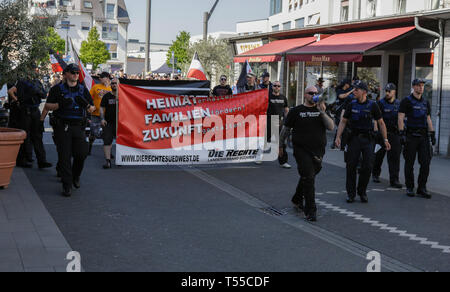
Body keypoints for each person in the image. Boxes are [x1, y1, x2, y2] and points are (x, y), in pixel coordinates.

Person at [280, 86, 335, 222]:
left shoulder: (321, 110)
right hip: (301, 150)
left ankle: (297, 198)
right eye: (311, 93)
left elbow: (331, 127)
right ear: (305, 95)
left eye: (316, 93)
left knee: (309, 174)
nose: (314, 95)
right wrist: (281, 145)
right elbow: (285, 130)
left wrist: (322, 112)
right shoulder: (296, 111)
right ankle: (311, 211)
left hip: (318, 151)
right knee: (309, 177)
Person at [335, 81, 391, 204]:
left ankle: (362, 191)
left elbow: (381, 123)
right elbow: (343, 121)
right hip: (354, 138)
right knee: (351, 166)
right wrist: (338, 137)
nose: (354, 91)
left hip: (368, 139)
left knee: (367, 166)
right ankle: (351, 194)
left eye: (356, 90)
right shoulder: (351, 104)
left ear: (364, 92)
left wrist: (385, 139)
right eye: (353, 89)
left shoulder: (373, 105)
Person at [44, 64, 95, 197]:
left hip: (78, 126)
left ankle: (75, 176)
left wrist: (86, 104)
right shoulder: (57, 89)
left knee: (82, 154)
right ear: (66, 74)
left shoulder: (83, 90)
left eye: (77, 73)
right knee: (64, 156)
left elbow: (92, 109)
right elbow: (47, 105)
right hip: (63, 126)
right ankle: (67, 185)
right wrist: (59, 105)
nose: (76, 75)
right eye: (73, 72)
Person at [398, 79, 435, 199]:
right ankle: (410, 187)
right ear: (413, 87)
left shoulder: (425, 102)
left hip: (423, 136)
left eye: (422, 86)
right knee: (409, 163)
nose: (421, 88)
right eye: (418, 86)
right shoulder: (406, 101)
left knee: (425, 163)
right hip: (411, 136)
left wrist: (432, 133)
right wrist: (401, 133)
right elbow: (400, 117)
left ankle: (422, 188)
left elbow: (428, 118)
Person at [8, 71, 52, 169]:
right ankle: (25, 159)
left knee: (37, 135)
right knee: (25, 135)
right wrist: (17, 101)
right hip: (26, 111)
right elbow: (10, 91)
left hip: (34, 110)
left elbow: (44, 95)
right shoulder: (22, 82)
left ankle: (41, 160)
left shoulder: (36, 82)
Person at [372, 83, 402, 188]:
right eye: (386, 91)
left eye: (389, 91)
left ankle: (394, 180)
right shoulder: (380, 103)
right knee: (379, 156)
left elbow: (400, 119)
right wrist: (376, 131)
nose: (387, 93)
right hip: (382, 133)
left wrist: (402, 132)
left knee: (394, 158)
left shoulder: (399, 103)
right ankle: (375, 174)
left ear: (394, 92)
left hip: (394, 134)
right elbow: (376, 119)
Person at [268, 81, 291, 169]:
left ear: (280, 87)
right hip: (269, 121)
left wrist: (288, 120)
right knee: (263, 141)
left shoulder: (283, 98)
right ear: (272, 87)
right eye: (275, 85)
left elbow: (286, 110)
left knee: (281, 143)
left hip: (279, 122)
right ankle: (258, 157)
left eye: (278, 86)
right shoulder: (268, 96)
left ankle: (283, 162)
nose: (277, 87)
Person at [89, 72, 112, 155]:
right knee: (93, 132)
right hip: (95, 114)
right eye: (100, 77)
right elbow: (88, 97)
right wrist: (90, 106)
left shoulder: (112, 88)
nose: (100, 79)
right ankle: (90, 146)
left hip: (107, 115)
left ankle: (109, 152)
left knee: (108, 134)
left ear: (107, 78)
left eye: (102, 77)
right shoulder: (96, 86)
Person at [332, 79, 355, 150]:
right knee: (340, 127)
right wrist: (351, 91)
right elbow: (342, 96)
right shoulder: (339, 90)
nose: (349, 85)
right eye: (348, 84)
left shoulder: (350, 89)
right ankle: (335, 143)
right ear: (345, 84)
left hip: (346, 111)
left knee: (345, 129)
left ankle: (343, 146)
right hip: (339, 112)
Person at [100, 78, 118, 169]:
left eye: (116, 83)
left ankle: (121, 159)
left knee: (122, 142)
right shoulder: (107, 96)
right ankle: (108, 162)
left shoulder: (124, 96)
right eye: (113, 83)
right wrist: (102, 119)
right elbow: (102, 107)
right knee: (107, 141)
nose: (114, 85)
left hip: (121, 123)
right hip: (109, 122)